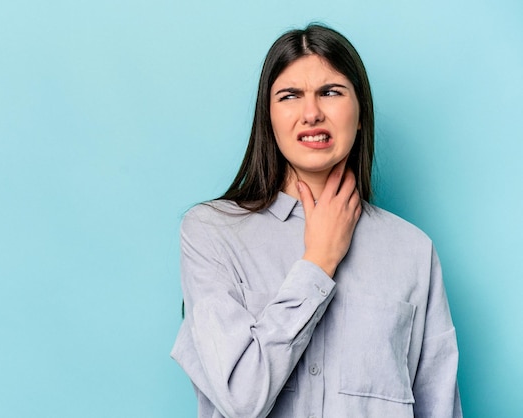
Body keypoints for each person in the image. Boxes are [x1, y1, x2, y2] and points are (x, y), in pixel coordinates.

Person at [171, 23, 462, 418]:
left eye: (331, 92)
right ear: (268, 119)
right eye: (290, 96)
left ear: (360, 114)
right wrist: (319, 260)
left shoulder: (413, 250)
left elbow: (439, 406)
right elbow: (241, 399)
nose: (311, 113)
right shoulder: (211, 232)